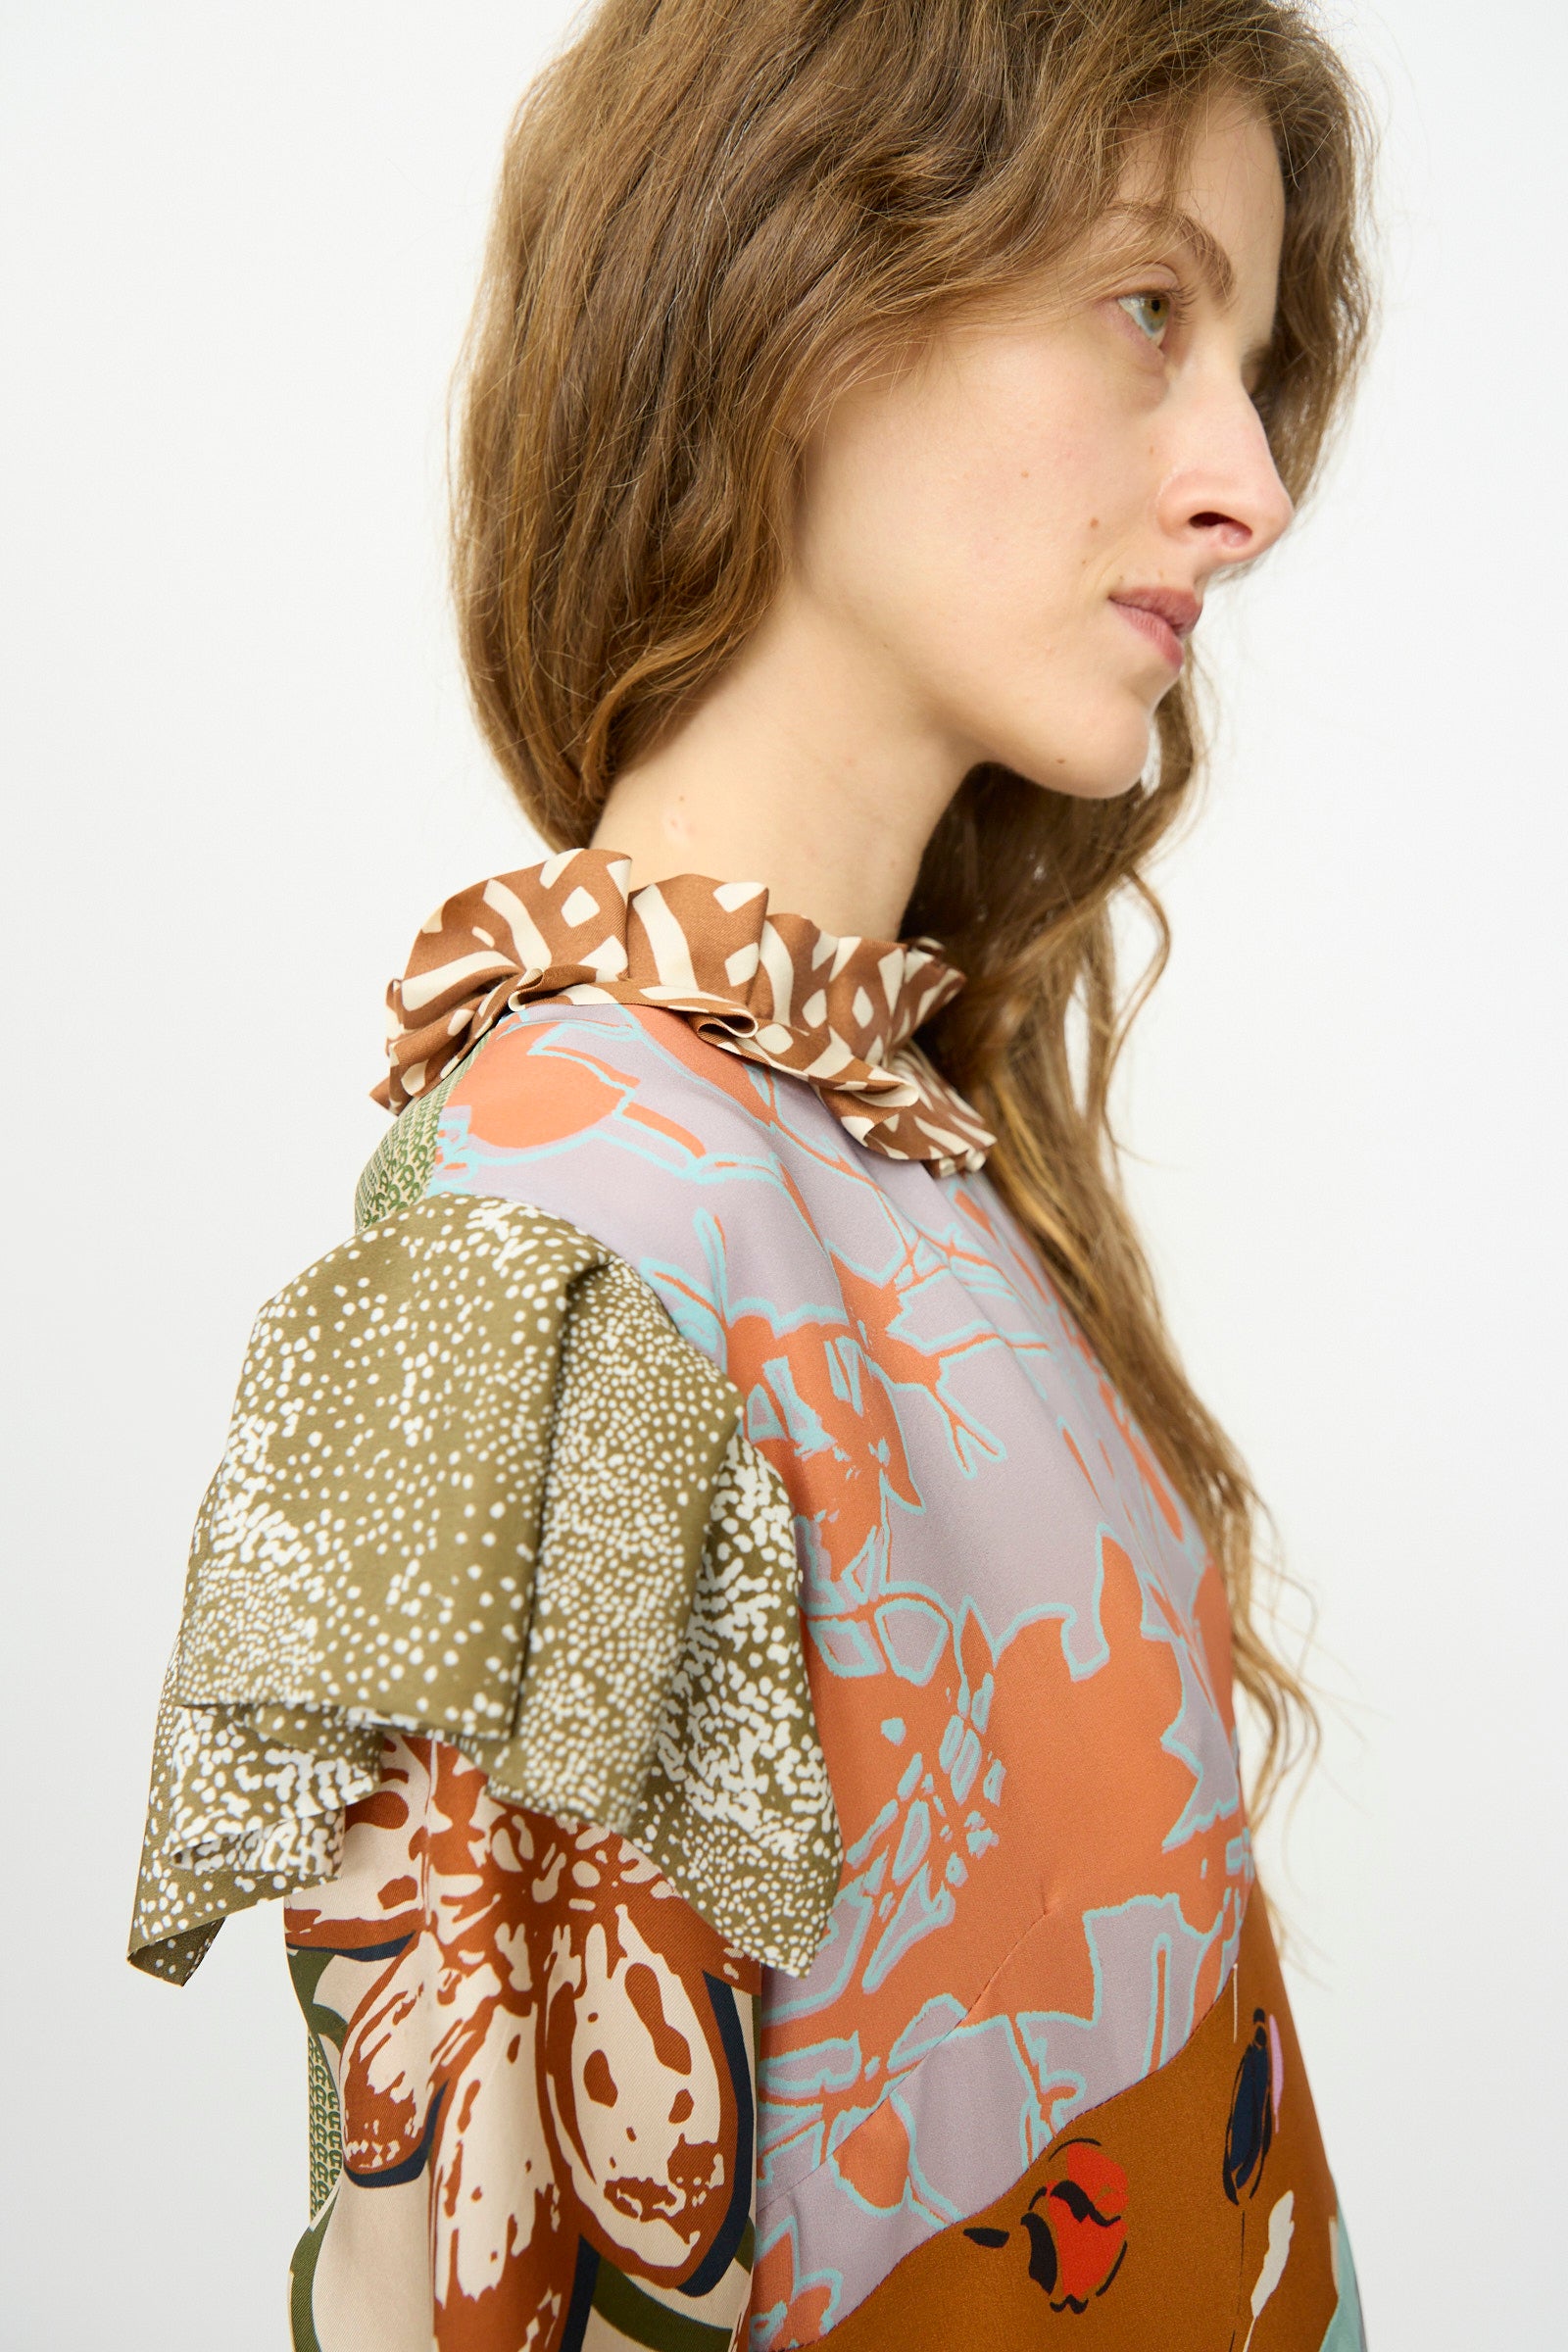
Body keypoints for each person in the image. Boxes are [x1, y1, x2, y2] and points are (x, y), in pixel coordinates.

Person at [129, 1, 1374, 2343]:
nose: (1243, 479)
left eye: (1252, 355)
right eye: (1142, 309)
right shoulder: (568, 1228)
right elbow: (464, 2285)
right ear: (800, 304)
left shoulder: (896, 1142)